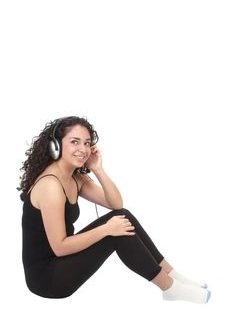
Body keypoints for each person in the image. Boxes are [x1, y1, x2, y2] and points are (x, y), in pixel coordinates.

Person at [18, 116, 211, 302]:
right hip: (47, 279)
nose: (83, 149)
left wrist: (98, 169)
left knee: (121, 217)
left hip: (61, 263)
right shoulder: (50, 185)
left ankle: (172, 276)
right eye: (75, 142)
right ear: (56, 145)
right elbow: (60, 247)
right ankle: (170, 288)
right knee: (115, 230)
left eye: (86, 143)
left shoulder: (76, 178)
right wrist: (107, 230)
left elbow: (116, 204)